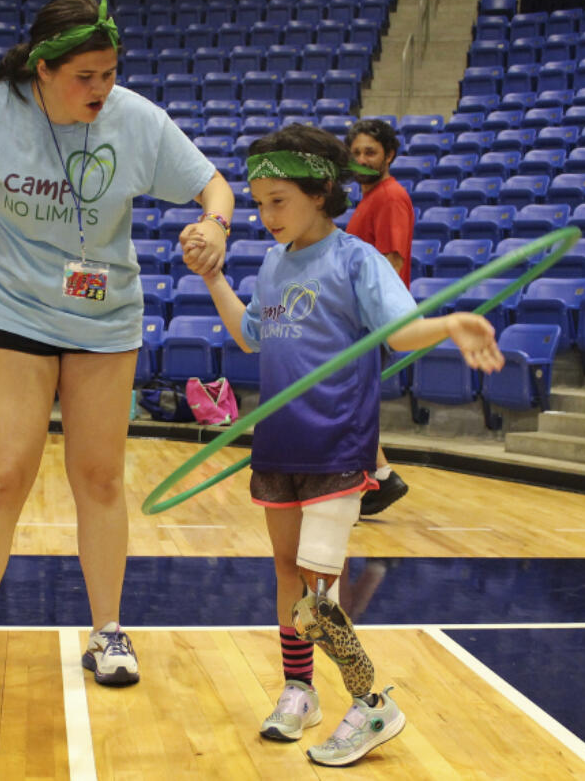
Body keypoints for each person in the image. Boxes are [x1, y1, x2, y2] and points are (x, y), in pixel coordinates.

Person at [0, 0, 234, 704]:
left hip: (105, 318)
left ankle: (108, 632)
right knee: (5, 473)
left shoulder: (135, 119)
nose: (102, 88)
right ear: (43, 69)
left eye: (109, 72)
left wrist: (216, 225)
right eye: (86, 76)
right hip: (15, 309)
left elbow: (212, 184)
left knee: (99, 477)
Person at [182, 125, 502, 767]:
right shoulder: (273, 263)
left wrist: (452, 322)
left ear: (321, 193)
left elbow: (402, 331)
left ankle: (372, 704)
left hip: (336, 448)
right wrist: (215, 278)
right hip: (280, 447)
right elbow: (251, 335)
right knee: (285, 577)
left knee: (318, 597)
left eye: (279, 201)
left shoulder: (358, 260)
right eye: (259, 202)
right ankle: (299, 691)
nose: (266, 215)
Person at [345, 118, 415, 517]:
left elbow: (390, 262)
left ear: (389, 155)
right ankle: (383, 477)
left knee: (350, 406)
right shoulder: (370, 197)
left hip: (372, 322)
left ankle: (352, 494)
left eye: (370, 151)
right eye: (355, 152)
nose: (361, 159)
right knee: (352, 403)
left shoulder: (390, 197)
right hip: (362, 320)